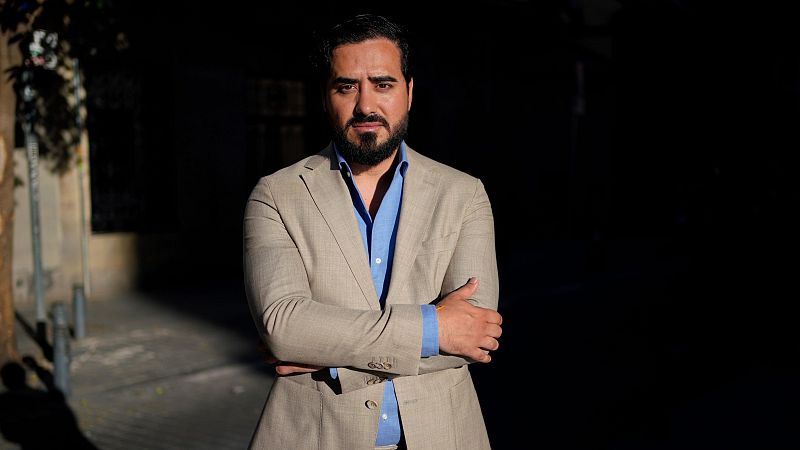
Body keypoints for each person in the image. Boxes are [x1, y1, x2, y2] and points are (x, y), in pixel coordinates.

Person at [243, 13, 502, 450]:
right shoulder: (276, 195)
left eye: (383, 84)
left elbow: (475, 334)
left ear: (409, 92)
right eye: (346, 86)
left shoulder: (464, 194)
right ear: (325, 97)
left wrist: (329, 360)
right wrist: (433, 329)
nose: (365, 105)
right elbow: (284, 328)